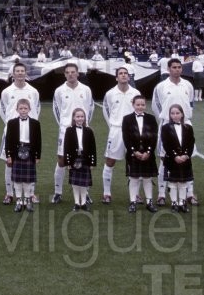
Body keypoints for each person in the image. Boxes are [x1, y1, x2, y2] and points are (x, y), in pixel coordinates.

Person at [151, 58, 195, 206]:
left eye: (179, 67)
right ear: (169, 69)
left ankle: (189, 193)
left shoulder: (187, 85)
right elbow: (156, 106)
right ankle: (162, 194)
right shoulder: (161, 86)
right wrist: (165, 120)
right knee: (164, 159)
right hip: (167, 125)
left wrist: (184, 119)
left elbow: (191, 104)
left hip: (185, 124)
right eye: (174, 67)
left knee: (187, 157)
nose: (177, 69)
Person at [51, 63, 94, 204]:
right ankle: (58, 192)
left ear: (78, 73)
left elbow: (90, 108)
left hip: (83, 129)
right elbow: (57, 110)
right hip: (65, 129)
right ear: (64, 74)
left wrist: (84, 125)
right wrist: (65, 125)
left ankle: (85, 193)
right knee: (62, 161)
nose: (70, 74)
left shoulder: (86, 89)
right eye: (67, 72)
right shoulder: (59, 90)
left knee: (84, 160)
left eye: (73, 72)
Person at [0, 63, 41, 205]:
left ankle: (31, 194)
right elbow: (2, 111)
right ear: (13, 74)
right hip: (11, 133)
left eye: (22, 71)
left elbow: (37, 110)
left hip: (29, 132)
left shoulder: (33, 91)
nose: (20, 73)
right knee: (9, 162)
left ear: (25, 73)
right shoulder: (6, 92)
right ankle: (9, 193)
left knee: (31, 162)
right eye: (17, 71)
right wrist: (12, 126)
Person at [101, 66, 139, 204]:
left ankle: (135, 194)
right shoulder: (110, 93)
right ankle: (106, 192)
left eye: (125, 73)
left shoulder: (135, 92)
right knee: (110, 161)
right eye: (120, 74)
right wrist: (112, 126)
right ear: (116, 77)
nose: (123, 75)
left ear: (129, 77)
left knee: (135, 161)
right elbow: (106, 111)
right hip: (116, 130)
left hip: (133, 132)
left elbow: (139, 110)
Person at [122, 95, 159, 213]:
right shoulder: (127, 119)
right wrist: (134, 151)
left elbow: (154, 136)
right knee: (134, 178)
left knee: (148, 178)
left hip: (148, 154)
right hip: (133, 154)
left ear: (145, 105)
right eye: (137, 104)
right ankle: (133, 202)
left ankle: (149, 202)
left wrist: (148, 151)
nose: (140, 107)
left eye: (142, 104)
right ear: (133, 105)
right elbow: (126, 137)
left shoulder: (151, 118)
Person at [5, 98, 42, 213]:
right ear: (17, 110)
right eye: (21, 108)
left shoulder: (36, 123)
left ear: (29, 109)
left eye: (25, 108)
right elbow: (8, 141)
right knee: (17, 179)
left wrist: (37, 155)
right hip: (16, 152)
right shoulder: (11, 123)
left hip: (30, 152)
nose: (23, 110)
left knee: (26, 179)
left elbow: (38, 141)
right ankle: (19, 201)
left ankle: (26, 200)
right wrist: (9, 155)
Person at [160, 104, 195, 213]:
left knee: (183, 182)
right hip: (171, 159)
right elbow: (166, 144)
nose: (175, 115)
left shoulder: (188, 127)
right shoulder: (165, 128)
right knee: (173, 182)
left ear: (182, 114)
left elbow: (191, 143)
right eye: (172, 113)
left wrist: (186, 155)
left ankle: (182, 202)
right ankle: (174, 203)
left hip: (185, 159)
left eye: (177, 113)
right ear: (169, 115)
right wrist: (175, 156)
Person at [64, 107, 96, 212]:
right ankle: (77, 203)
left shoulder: (89, 131)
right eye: (77, 116)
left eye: (82, 116)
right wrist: (68, 162)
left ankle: (84, 203)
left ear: (85, 118)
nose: (80, 118)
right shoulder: (69, 130)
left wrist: (92, 162)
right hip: (73, 159)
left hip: (85, 159)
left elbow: (93, 148)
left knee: (84, 183)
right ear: (73, 117)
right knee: (75, 183)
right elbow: (66, 147)